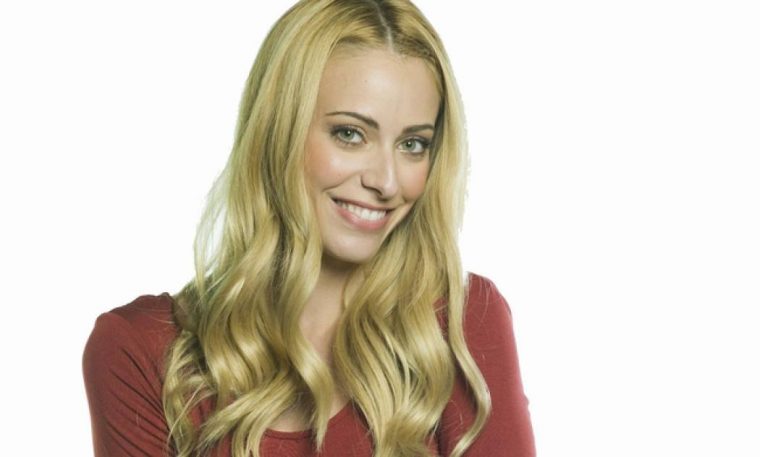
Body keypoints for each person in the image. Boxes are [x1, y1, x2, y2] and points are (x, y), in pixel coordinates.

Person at [82, 1, 535, 456]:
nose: (386, 181)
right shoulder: (143, 352)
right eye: (350, 134)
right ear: (279, 131)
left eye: (413, 144)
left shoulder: (462, 326)